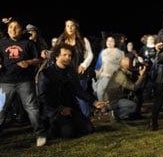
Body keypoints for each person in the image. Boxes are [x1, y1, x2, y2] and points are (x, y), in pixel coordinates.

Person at [37, 43, 108, 140]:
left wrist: (95, 102)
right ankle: (52, 128)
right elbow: (43, 97)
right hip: (54, 111)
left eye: (69, 55)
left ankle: (71, 124)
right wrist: (60, 109)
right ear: (57, 56)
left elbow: (78, 90)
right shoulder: (46, 73)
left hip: (70, 108)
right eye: (64, 55)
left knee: (89, 129)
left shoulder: (71, 71)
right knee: (69, 133)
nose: (67, 58)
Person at [0, 18, 48, 147]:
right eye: (10, 27)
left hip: (24, 81)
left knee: (32, 108)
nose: (13, 30)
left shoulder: (28, 43)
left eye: (16, 27)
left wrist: (28, 62)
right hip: (5, 81)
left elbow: (38, 59)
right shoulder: (2, 43)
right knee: (1, 109)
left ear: (22, 30)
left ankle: (40, 134)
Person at [55, 19, 95, 118]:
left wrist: (83, 65)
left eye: (72, 25)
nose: (70, 28)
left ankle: (86, 116)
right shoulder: (62, 40)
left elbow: (90, 55)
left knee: (80, 95)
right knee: (66, 96)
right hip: (65, 72)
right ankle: (70, 119)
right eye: (67, 26)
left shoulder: (83, 40)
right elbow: (55, 53)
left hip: (79, 73)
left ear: (76, 27)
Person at [103, 56, 146, 120]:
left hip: (116, 98)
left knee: (136, 96)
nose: (132, 65)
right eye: (131, 63)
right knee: (133, 106)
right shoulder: (121, 76)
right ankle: (115, 114)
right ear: (127, 66)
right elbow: (134, 87)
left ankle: (131, 114)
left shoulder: (121, 71)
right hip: (113, 101)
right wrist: (141, 76)